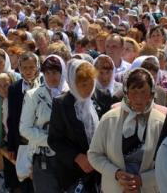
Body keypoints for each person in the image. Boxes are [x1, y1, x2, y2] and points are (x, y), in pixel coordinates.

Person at [88, 68, 165, 193]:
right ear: (126, 93)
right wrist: (116, 174)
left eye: (143, 92)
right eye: (133, 92)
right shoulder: (109, 119)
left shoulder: (160, 123)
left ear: (151, 94)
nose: (138, 98)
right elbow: (94, 155)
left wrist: (142, 180)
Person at [48, 59, 100, 192]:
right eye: (83, 84)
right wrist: (76, 157)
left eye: (91, 83)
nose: (88, 88)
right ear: (73, 83)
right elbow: (54, 140)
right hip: (73, 173)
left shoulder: (99, 98)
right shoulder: (62, 104)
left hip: (99, 169)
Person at [19, 55, 68, 193]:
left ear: (62, 72)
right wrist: (51, 141)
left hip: (67, 157)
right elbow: (25, 129)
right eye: (47, 73)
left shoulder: (71, 94)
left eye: (55, 72)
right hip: (44, 158)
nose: (51, 77)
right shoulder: (33, 95)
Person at [7, 51, 42, 192]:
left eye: (31, 67)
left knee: (40, 176)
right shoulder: (14, 88)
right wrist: (11, 145)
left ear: (37, 67)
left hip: (39, 138)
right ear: (20, 68)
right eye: (25, 67)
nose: (28, 71)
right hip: (22, 141)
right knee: (25, 177)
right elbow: (12, 118)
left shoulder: (43, 85)